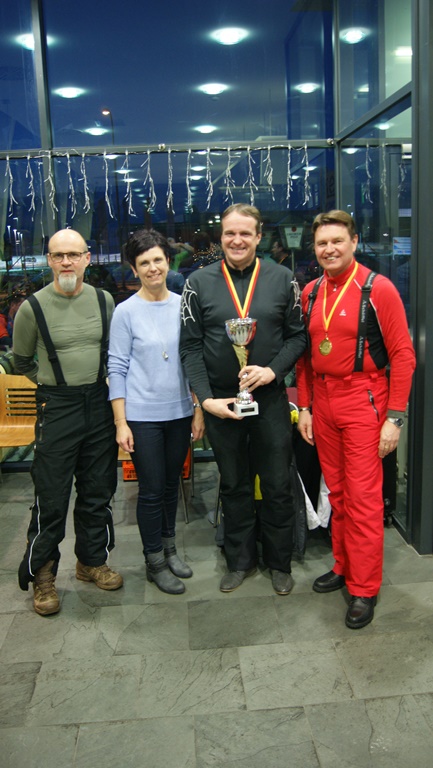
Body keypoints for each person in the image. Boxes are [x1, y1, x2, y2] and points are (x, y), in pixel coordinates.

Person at [296, 210, 416, 629]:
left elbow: (403, 355)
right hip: (324, 401)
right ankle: (344, 566)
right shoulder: (311, 292)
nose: (329, 249)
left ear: (354, 242)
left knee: (364, 499)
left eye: (337, 241)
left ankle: (364, 587)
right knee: (339, 494)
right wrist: (305, 407)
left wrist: (395, 418)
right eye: (321, 243)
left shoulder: (377, 288)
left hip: (364, 398)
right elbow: (305, 358)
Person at [179, 203, 307, 595]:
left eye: (245, 233)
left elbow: (298, 337)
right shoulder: (197, 283)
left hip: (269, 401)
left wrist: (273, 371)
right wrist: (205, 400)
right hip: (221, 406)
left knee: (277, 484)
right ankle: (240, 561)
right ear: (221, 237)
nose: (237, 240)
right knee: (233, 485)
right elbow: (190, 348)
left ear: (259, 237)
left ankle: (279, 562)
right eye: (230, 233)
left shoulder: (283, 278)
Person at [13, 229, 122, 617]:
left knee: (98, 488)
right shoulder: (32, 308)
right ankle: (43, 574)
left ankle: (91, 561)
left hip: (98, 403)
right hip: (57, 406)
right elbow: (22, 361)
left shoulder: (104, 301)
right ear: (48, 260)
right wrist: (51, 385)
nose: (66, 262)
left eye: (73, 254)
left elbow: (112, 352)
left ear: (87, 258)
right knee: (51, 495)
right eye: (58, 255)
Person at [108, 229, 204, 595]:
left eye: (157, 260)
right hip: (141, 416)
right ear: (134, 269)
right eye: (144, 262)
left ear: (168, 262)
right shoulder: (125, 312)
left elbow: (192, 360)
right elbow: (116, 368)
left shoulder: (183, 305)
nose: (152, 268)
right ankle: (154, 561)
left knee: (170, 485)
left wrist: (197, 407)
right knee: (150, 490)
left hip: (178, 412)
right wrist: (121, 422)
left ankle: (169, 549)